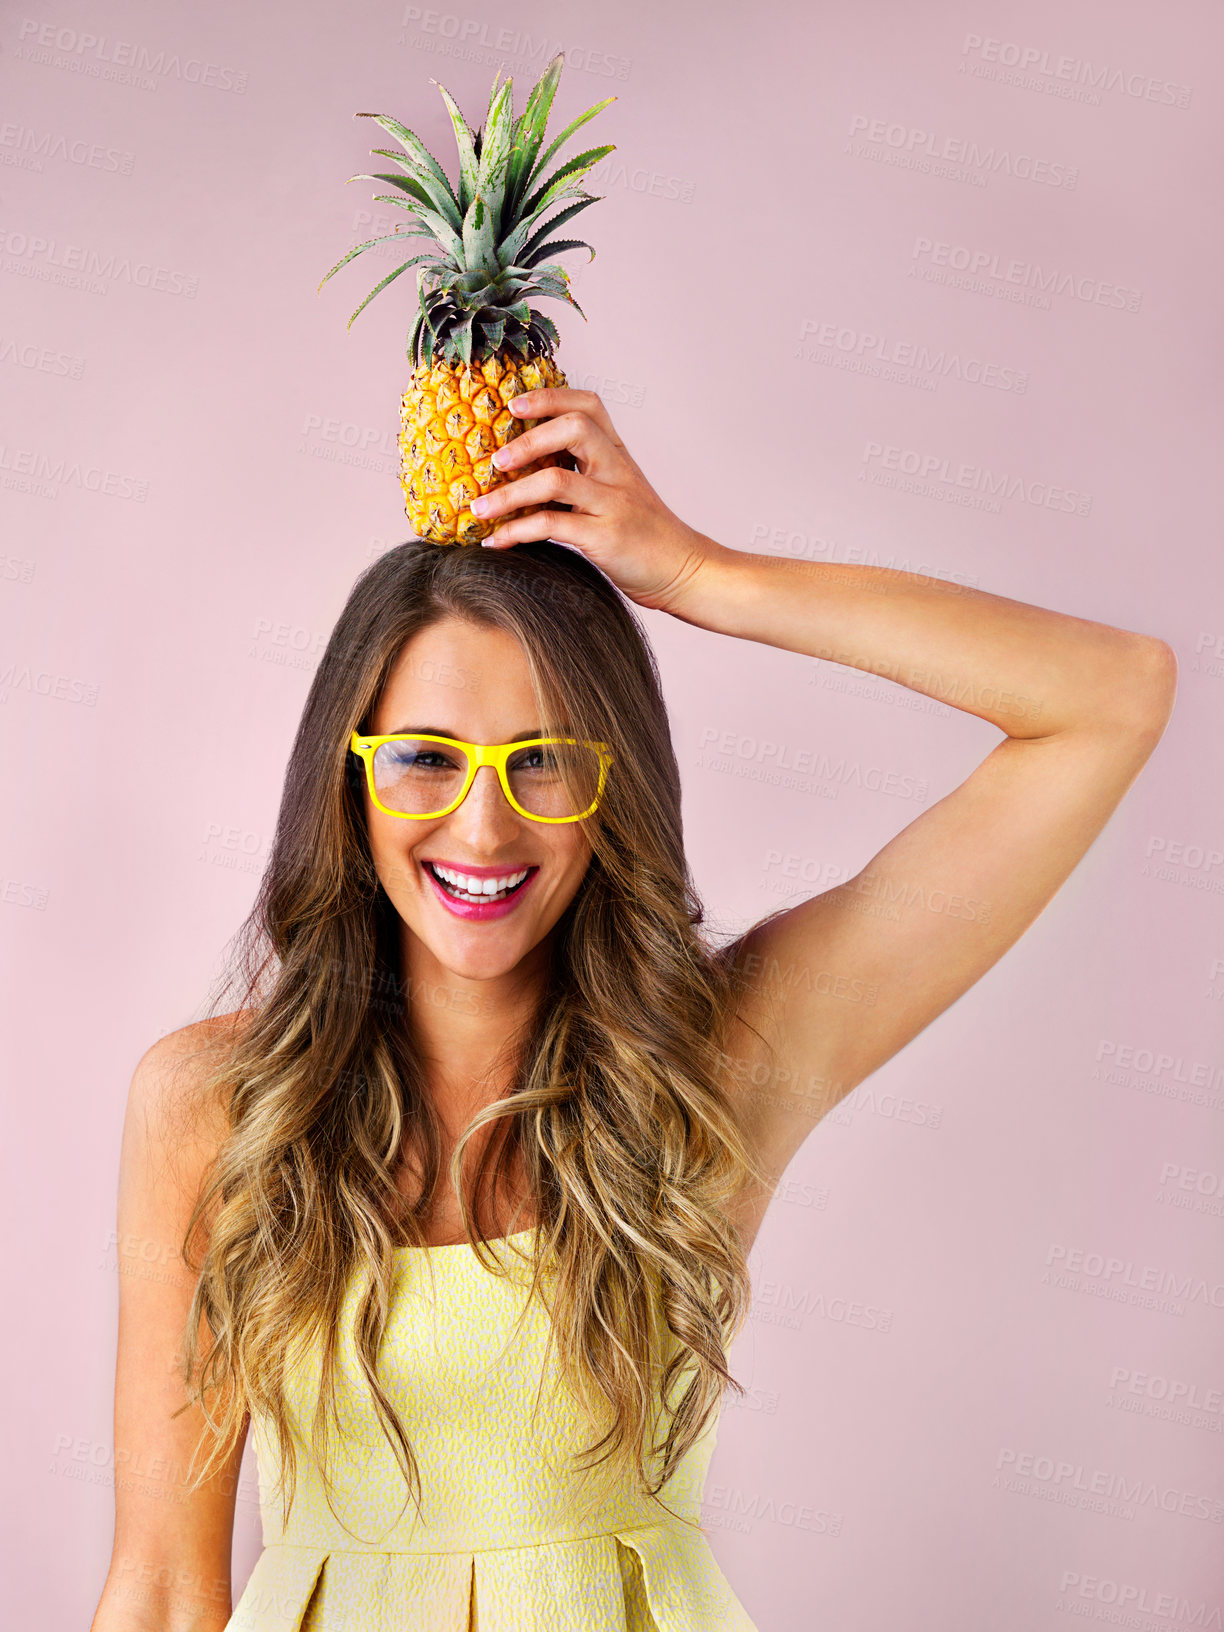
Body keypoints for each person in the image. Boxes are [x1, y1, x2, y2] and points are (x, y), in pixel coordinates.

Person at [90, 387, 1176, 1632]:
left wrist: (700, 574)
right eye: (429, 756)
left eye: (545, 755)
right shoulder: (214, 1106)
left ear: (616, 784)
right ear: (352, 780)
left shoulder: (718, 1062)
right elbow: (167, 1587)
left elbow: (1110, 697)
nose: (485, 826)